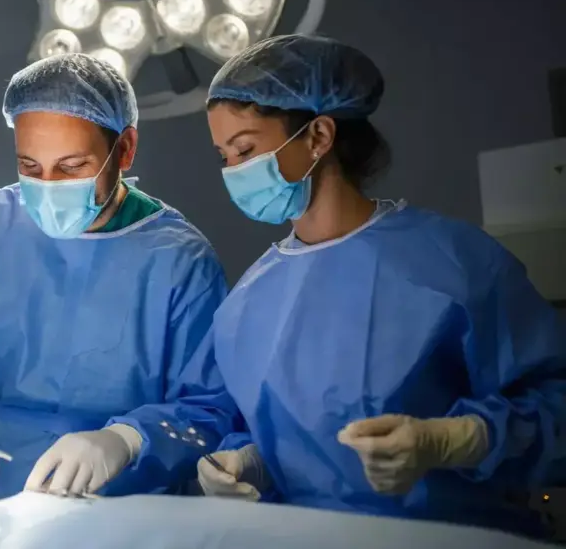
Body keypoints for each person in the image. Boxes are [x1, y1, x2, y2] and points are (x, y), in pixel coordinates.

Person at [196, 34, 566, 537]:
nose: (235, 172)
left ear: (318, 136)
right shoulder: (247, 303)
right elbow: (274, 427)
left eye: (245, 149)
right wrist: (251, 460)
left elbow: (554, 401)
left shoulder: (452, 263)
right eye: (224, 157)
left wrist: (456, 440)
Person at [0, 53, 238, 500]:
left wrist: (127, 440)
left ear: (125, 149)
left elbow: (208, 408)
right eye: (30, 167)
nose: (49, 186)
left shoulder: (181, 259)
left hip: (129, 503)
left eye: (71, 167)